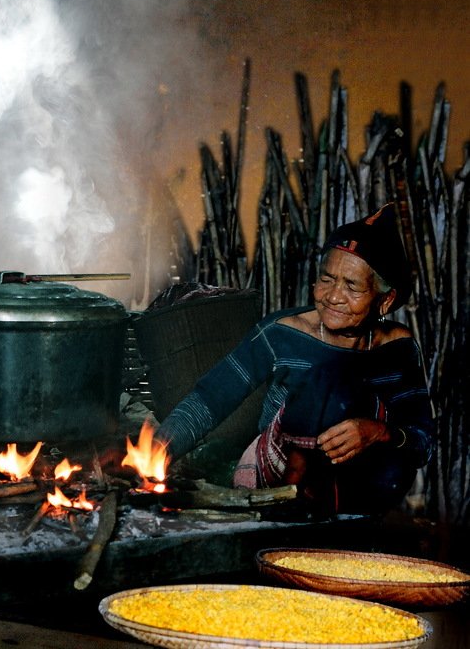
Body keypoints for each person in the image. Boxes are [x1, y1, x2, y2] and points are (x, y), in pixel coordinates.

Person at [155, 203, 435, 516]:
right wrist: (153, 454)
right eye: (327, 279)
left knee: (363, 405)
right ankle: (292, 509)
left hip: (360, 490)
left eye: (352, 286)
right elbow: (209, 401)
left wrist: (378, 432)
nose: (333, 296)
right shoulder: (281, 333)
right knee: (327, 379)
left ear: (385, 300)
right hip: (278, 482)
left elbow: (422, 443)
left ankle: (345, 524)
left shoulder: (398, 348)